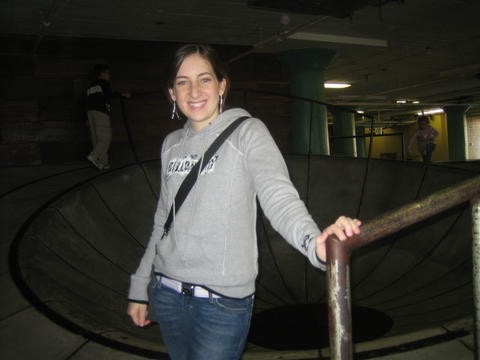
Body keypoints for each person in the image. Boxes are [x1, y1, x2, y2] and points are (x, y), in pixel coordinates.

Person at [127, 44, 361, 360]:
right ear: (171, 92)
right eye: (183, 82)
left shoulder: (248, 133)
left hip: (221, 302)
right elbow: (161, 221)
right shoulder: (171, 145)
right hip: (167, 294)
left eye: (205, 79)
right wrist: (140, 287)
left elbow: (279, 197)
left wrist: (313, 243)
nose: (194, 91)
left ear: (222, 85)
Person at [86, 64, 130, 170]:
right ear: (102, 74)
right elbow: (109, 95)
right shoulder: (103, 84)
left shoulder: (90, 86)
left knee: (97, 138)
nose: (109, 75)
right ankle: (94, 156)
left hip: (90, 113)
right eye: (108, 73)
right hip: (101, 112)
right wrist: (123, 95)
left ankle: (103, 163)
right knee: (105, 137)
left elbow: (86, 101)